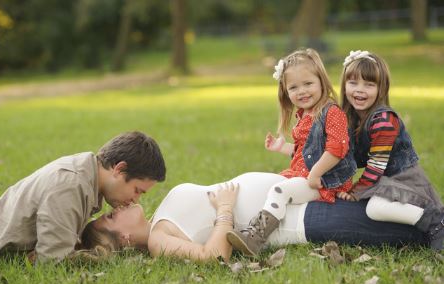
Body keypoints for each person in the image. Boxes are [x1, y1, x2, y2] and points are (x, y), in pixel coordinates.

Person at [82, 172, 427, 263]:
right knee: (401, 223)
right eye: (111, 219)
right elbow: (214, 256)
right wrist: (225, 211)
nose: (116, 209)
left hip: (293, 194)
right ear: (124, 240)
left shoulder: (159, 217)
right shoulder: (158, 241)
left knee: (384, 195)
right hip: (297, 221)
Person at [0, 131, 166, 264]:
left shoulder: (86, 177)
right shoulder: (71, 186)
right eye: (138, 190)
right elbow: (50, 262)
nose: (135, 200)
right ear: (119, 170)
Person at [226, 48, 357, 256]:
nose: (302, 91)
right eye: (294, 87)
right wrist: (282, 147)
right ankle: (250, 227)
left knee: (281, 191)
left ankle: (255, 239)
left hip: (325, 181)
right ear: (286, 92)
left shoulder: (332, 113)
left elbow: (337, 149)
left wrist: (315, 174)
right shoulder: (305, 114)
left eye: (308, 84)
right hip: (306, 174)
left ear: (321, 81)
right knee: (272, 185)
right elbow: (307, 153)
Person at [339, 50, 444, 250]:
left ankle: (436, 220)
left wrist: (356, 191)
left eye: (369, 84)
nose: (359, 90)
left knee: (375, 208)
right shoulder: (351, 118)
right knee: (372, 208)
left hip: (404, 181)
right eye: (353, 83)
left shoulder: (384, 120)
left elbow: (376, 166)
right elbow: (344, 155)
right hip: (382, 182)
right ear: (344, 85)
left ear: (381, 88)